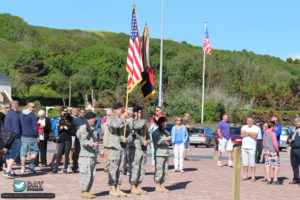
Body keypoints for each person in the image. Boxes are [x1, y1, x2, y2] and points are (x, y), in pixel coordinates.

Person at [106, 103, 128, 197]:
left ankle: (118, 188)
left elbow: (127, 132)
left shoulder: (124, 120)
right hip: (114, 147)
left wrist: (126, 138)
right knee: (113, 168)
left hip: (122, 147)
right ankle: (112, 188)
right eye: (119, 109)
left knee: (121, 168)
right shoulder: (110, 118)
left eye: (121, 109)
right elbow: (115, 126)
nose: (121, 110)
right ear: (114, 110)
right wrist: (123, 117)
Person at [77, 112, 99, 199]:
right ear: (87, 119)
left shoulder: (93, 128)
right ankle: (84, 191)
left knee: (91, 175)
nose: (94, 120)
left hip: (92, 155)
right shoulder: (84, 128)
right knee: (85, 174)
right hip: (85, 155)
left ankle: (87, 190)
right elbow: (83, 142)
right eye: (92, 118)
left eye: (94, 118)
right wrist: (92, 144)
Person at [127, 106, 148, 195]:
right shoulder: (132, 121)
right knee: (135, 167)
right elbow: (137, 126)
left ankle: (138, 185)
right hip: (134, 147)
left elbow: (146, 133)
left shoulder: (143, 122)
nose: (141, 113)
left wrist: (146, 140)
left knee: (142, 167)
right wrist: (144, 119)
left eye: (142, 112)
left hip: (142, 147)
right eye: (139, 112)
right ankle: (133, 186)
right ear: (135, 113)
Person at [2, 101, 21, 179]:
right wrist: (18, 136)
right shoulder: (14, 115)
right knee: (14, 154)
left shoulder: (8, 113)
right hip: (13, 137)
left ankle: (10, 170)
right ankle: (8, 171)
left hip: (6, 136)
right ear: (17, 107)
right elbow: (16, 128)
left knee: (8, 154)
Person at [152, 116, 171, 193]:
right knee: (159, 170)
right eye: (165, 122)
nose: (166, 123)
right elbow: (158, 141)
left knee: (165, 170)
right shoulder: (156, 132)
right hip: (159, 153)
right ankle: (157, 185)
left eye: (166, 121)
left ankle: (162, 184)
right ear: (161, 123)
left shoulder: (165, 131)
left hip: (166, 153)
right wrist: (167, 139)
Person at [19, 102, 39, 174]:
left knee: (23, 152)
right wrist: (37, 136)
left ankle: (22, 167)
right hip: (31, 136)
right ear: (29, 107)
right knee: (35, 150)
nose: (34, 108)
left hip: (23, 136)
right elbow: (35, 127)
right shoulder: (32, 116)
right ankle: (31, 164)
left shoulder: (21, 114)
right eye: (33, 107)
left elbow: (20, 124)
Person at [241, 117, 258, 181]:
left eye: (250, 121)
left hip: (252, 148)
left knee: (252, 163)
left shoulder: (256, 128)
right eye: (248, 121)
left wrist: (247, 133)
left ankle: (253, 177)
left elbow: (254, 136)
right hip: (244, 147)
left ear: (252, 122)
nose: (249, 122)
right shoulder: (243, 127)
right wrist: (250, 133)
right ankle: (245, 176)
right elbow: (242, 134)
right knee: (244, 163)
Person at [72, 108, 85, 173]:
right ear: (79, 113)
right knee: (76, 153)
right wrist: (78, 128)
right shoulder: (76, 120)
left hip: (85, 139)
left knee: (84, 154)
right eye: (81, 112)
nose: (82, 113)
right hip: (77, 138)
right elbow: (72, 129)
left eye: (83, 112)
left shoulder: (86, 120)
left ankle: (84, 167)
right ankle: (74, 167)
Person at [288, 118, 300, 184]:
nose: (296, 123)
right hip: (293, 149)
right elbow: (288, 138)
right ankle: (296, 179)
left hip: (299, 149)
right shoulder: (292, 130)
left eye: (298, 122)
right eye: (296, 122)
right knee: (294, 165)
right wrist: (289, 140)